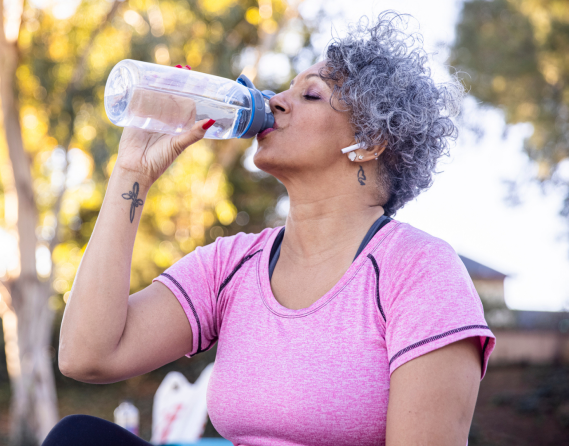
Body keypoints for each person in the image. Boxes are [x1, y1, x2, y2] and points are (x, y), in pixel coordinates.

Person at [47, 11, 495, 446]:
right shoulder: (231, 265)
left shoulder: (419, 271)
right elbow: (87, 356)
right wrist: (132, 172)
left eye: (312, 95)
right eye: (286, 89)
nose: (276, 100)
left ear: (370, 143)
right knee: (78, 438)